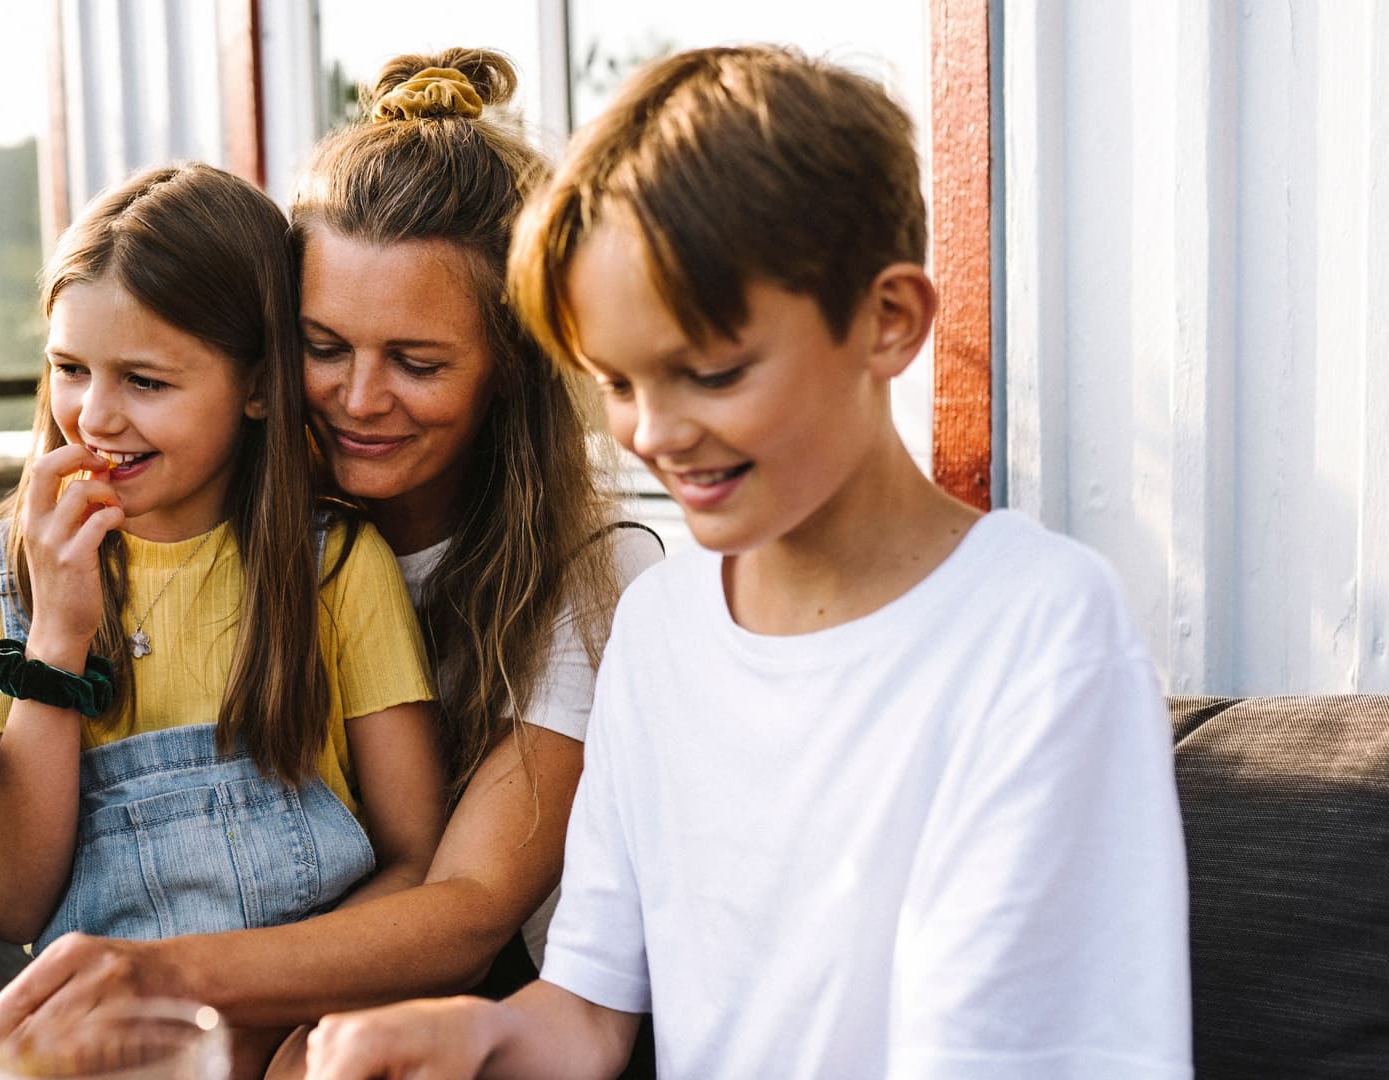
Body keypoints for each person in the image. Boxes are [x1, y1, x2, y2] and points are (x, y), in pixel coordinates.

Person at [302, 44, 1193, 1080]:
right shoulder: (660, 627)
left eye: (712, 373)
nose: (656, 432)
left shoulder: (1037, 629)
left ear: (889, 321)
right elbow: (586, 1015)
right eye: (620, 383)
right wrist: (469, 1035)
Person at [0, 49, 661, 1074]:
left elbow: (461, 910)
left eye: (416, 362)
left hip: (506, 1016)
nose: (359, 399)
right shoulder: (255, 513)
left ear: (512, 368)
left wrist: (162, 988)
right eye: (325, 347)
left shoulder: (583, 574)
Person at [0, 162, 446, 967]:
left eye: (144, 380)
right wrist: (58, 637)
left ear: (260, 388)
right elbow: (3, 902)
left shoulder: (336, 567)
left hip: (311, 1017)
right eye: (70, 368)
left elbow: (418, 862)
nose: (95, 416)